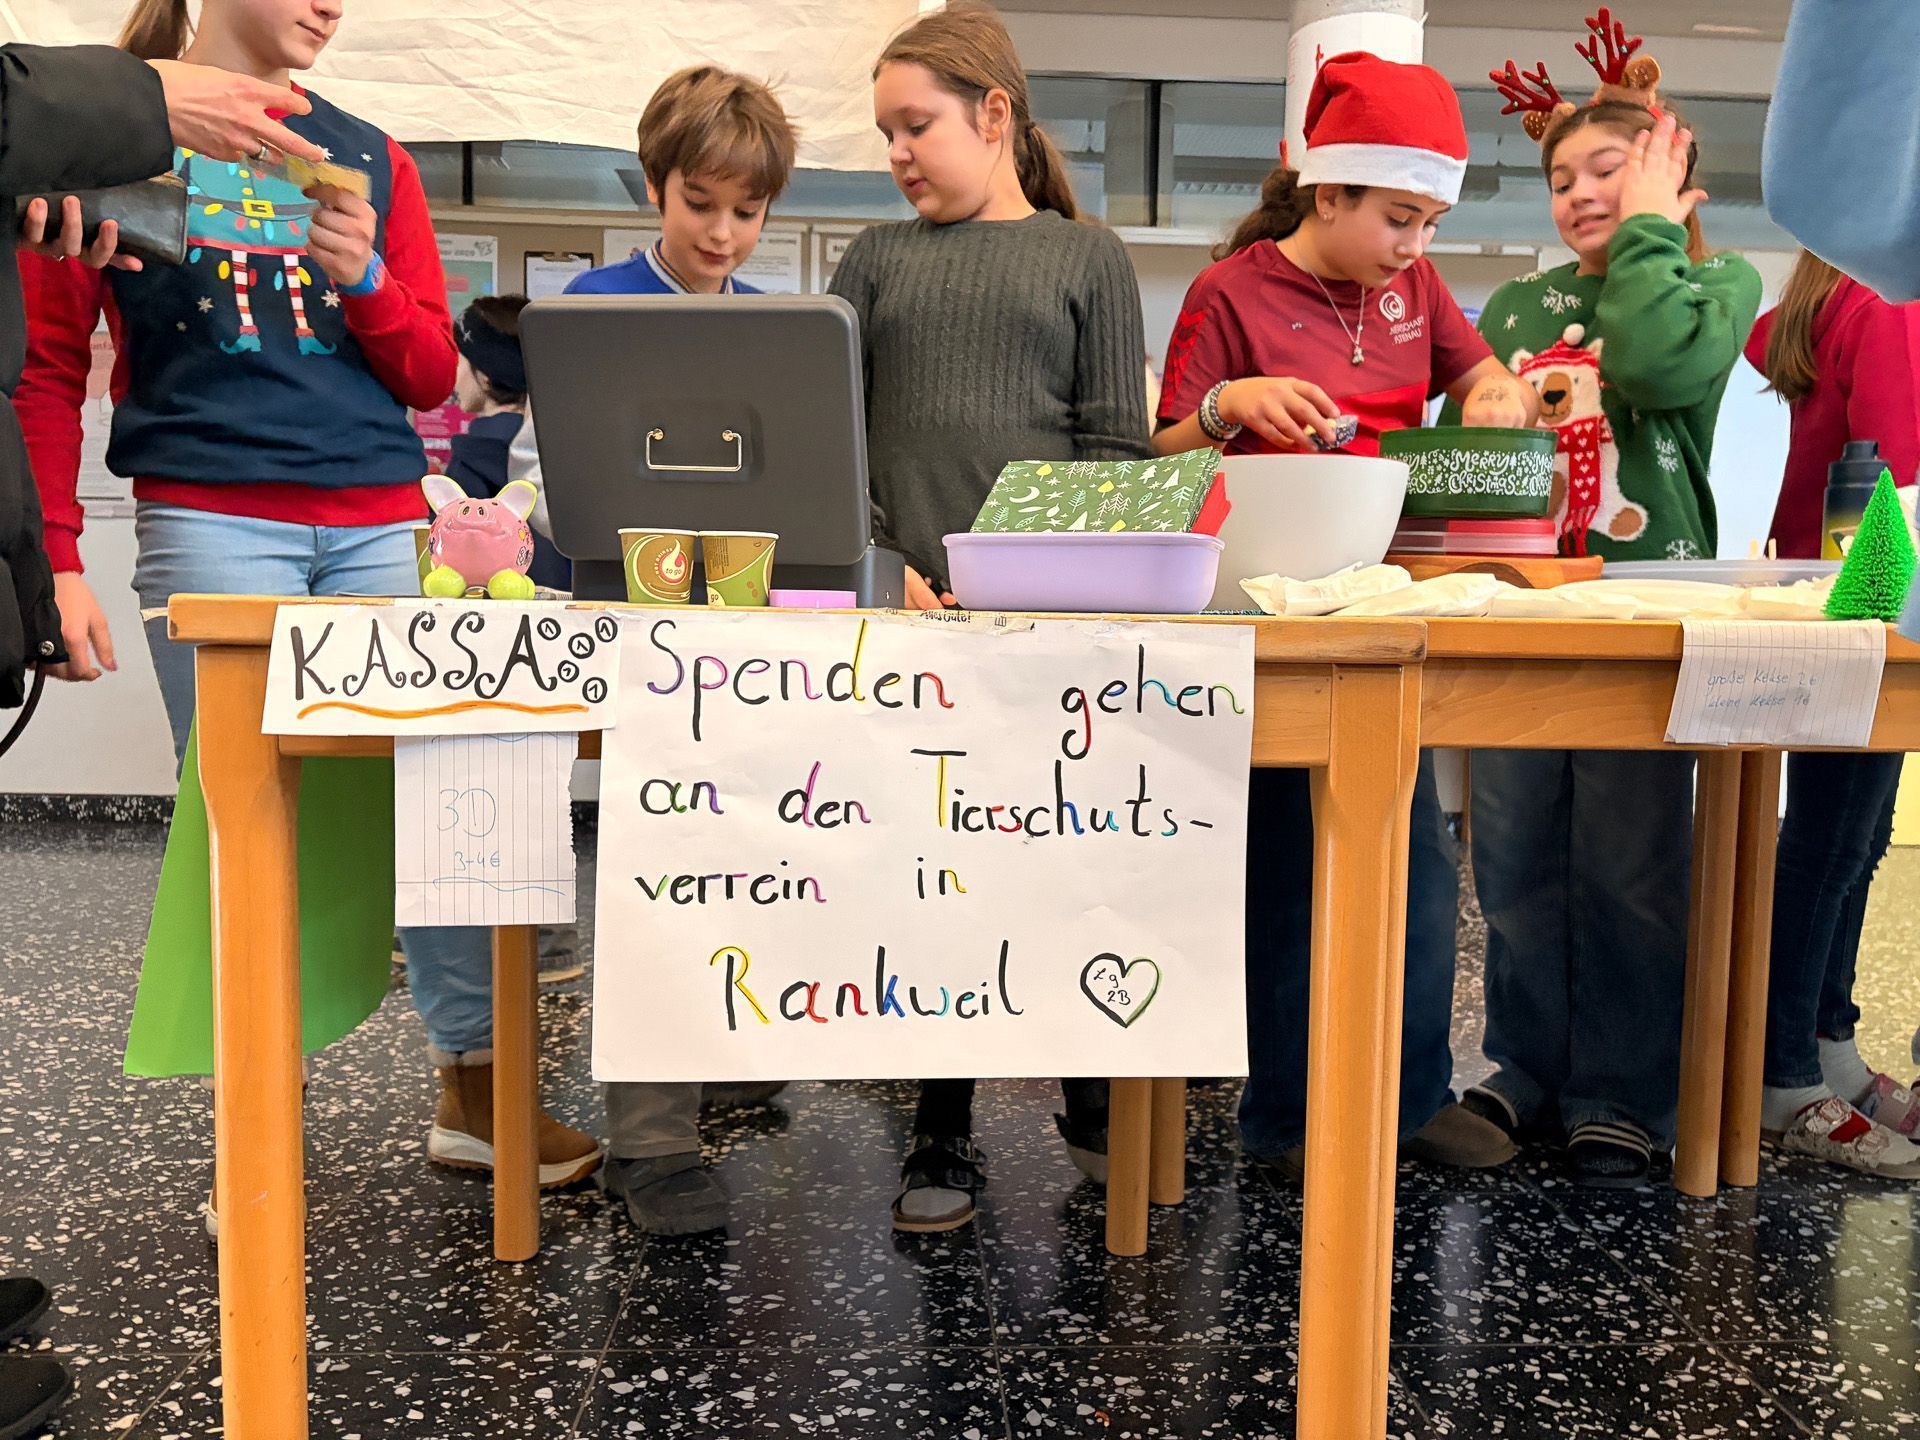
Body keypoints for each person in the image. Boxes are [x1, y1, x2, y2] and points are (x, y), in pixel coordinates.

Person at [15, 0, 602, 1226]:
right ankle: (255, 1114)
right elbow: (48, 363)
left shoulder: (370, 152)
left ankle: (476, 1091)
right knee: (248, 822)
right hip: (212, 520)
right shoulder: (97, 131)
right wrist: (56, 564)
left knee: (453, 803)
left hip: (383, 519)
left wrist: (368, 275)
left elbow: (435, 374)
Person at [0, 26, 331, 1437]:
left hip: (353, 521)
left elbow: (416, 353)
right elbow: (54, 360)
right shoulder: (145, 110)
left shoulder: (341, 153)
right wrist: (132, 107)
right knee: (236, 845)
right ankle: (244, 1148)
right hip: (205, 518)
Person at [1153, 51, 1534, 1182]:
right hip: (1272, 619)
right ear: (1329, 194)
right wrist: (1230, 405)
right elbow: (1161, 449)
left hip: (1386, 603)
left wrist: (1499, 394)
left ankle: (1410, 1095)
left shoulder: (1418, 292)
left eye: (1429, 220)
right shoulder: (1232, 293)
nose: (1415, 245)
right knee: (1285, 870)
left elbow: (1482, 380)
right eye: (1399, 217)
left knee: (1414, 864)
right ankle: (1281, 1116)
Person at [827, 1, 1150, 1231]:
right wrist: (879, 560)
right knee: (937, 879)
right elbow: (838, 434)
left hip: (1045, 624)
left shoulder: (1086, 259)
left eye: (917, 125)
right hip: (909, 619)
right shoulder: (875, 259)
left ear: (995, 113)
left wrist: (1041, 579)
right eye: (887, 132)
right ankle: (943, 1128)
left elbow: (1114, 455)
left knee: (1066, 864)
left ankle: (1092, 1098)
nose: (900, 151)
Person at [1457, 20, 1762, 1188]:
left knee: (1632, 861)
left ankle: (1625, 1088)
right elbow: (1473, 446)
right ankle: (1527, 1068)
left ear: (1670, 180)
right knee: (1521, 852)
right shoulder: (1516, 309)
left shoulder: (1710, 281)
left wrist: (1649, 230)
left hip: (1647, 608)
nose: (1581, 195)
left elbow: (1651, 369)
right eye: (1563, 179)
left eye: (1611, 174)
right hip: (1526, 604)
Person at [508, 63, 800, 1237]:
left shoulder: (782, 329)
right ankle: (652, 1142)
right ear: (654, 186)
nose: (723, 233)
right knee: (654, 872)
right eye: (700, 203)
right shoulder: (592, 308)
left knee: (746, 862)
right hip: (634, 640)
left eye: (747, 210)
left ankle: (713, 1059)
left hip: (747, 640)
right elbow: (543, 490)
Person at [1744, 251, 1920, 1176]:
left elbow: (1764, 339)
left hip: (1836, 585)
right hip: (1870, 593)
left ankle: (1827, 1051)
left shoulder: (1842, 291)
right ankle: (1783, 1073)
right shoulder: (1890, 299)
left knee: (1847, 835)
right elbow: (1899, 457)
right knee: (1833, 843)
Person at [446, 295, 570, 591]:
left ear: (486, 377)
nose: (453, 374)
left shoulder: (469, 464)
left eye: (460, 359)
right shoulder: (563, 452)